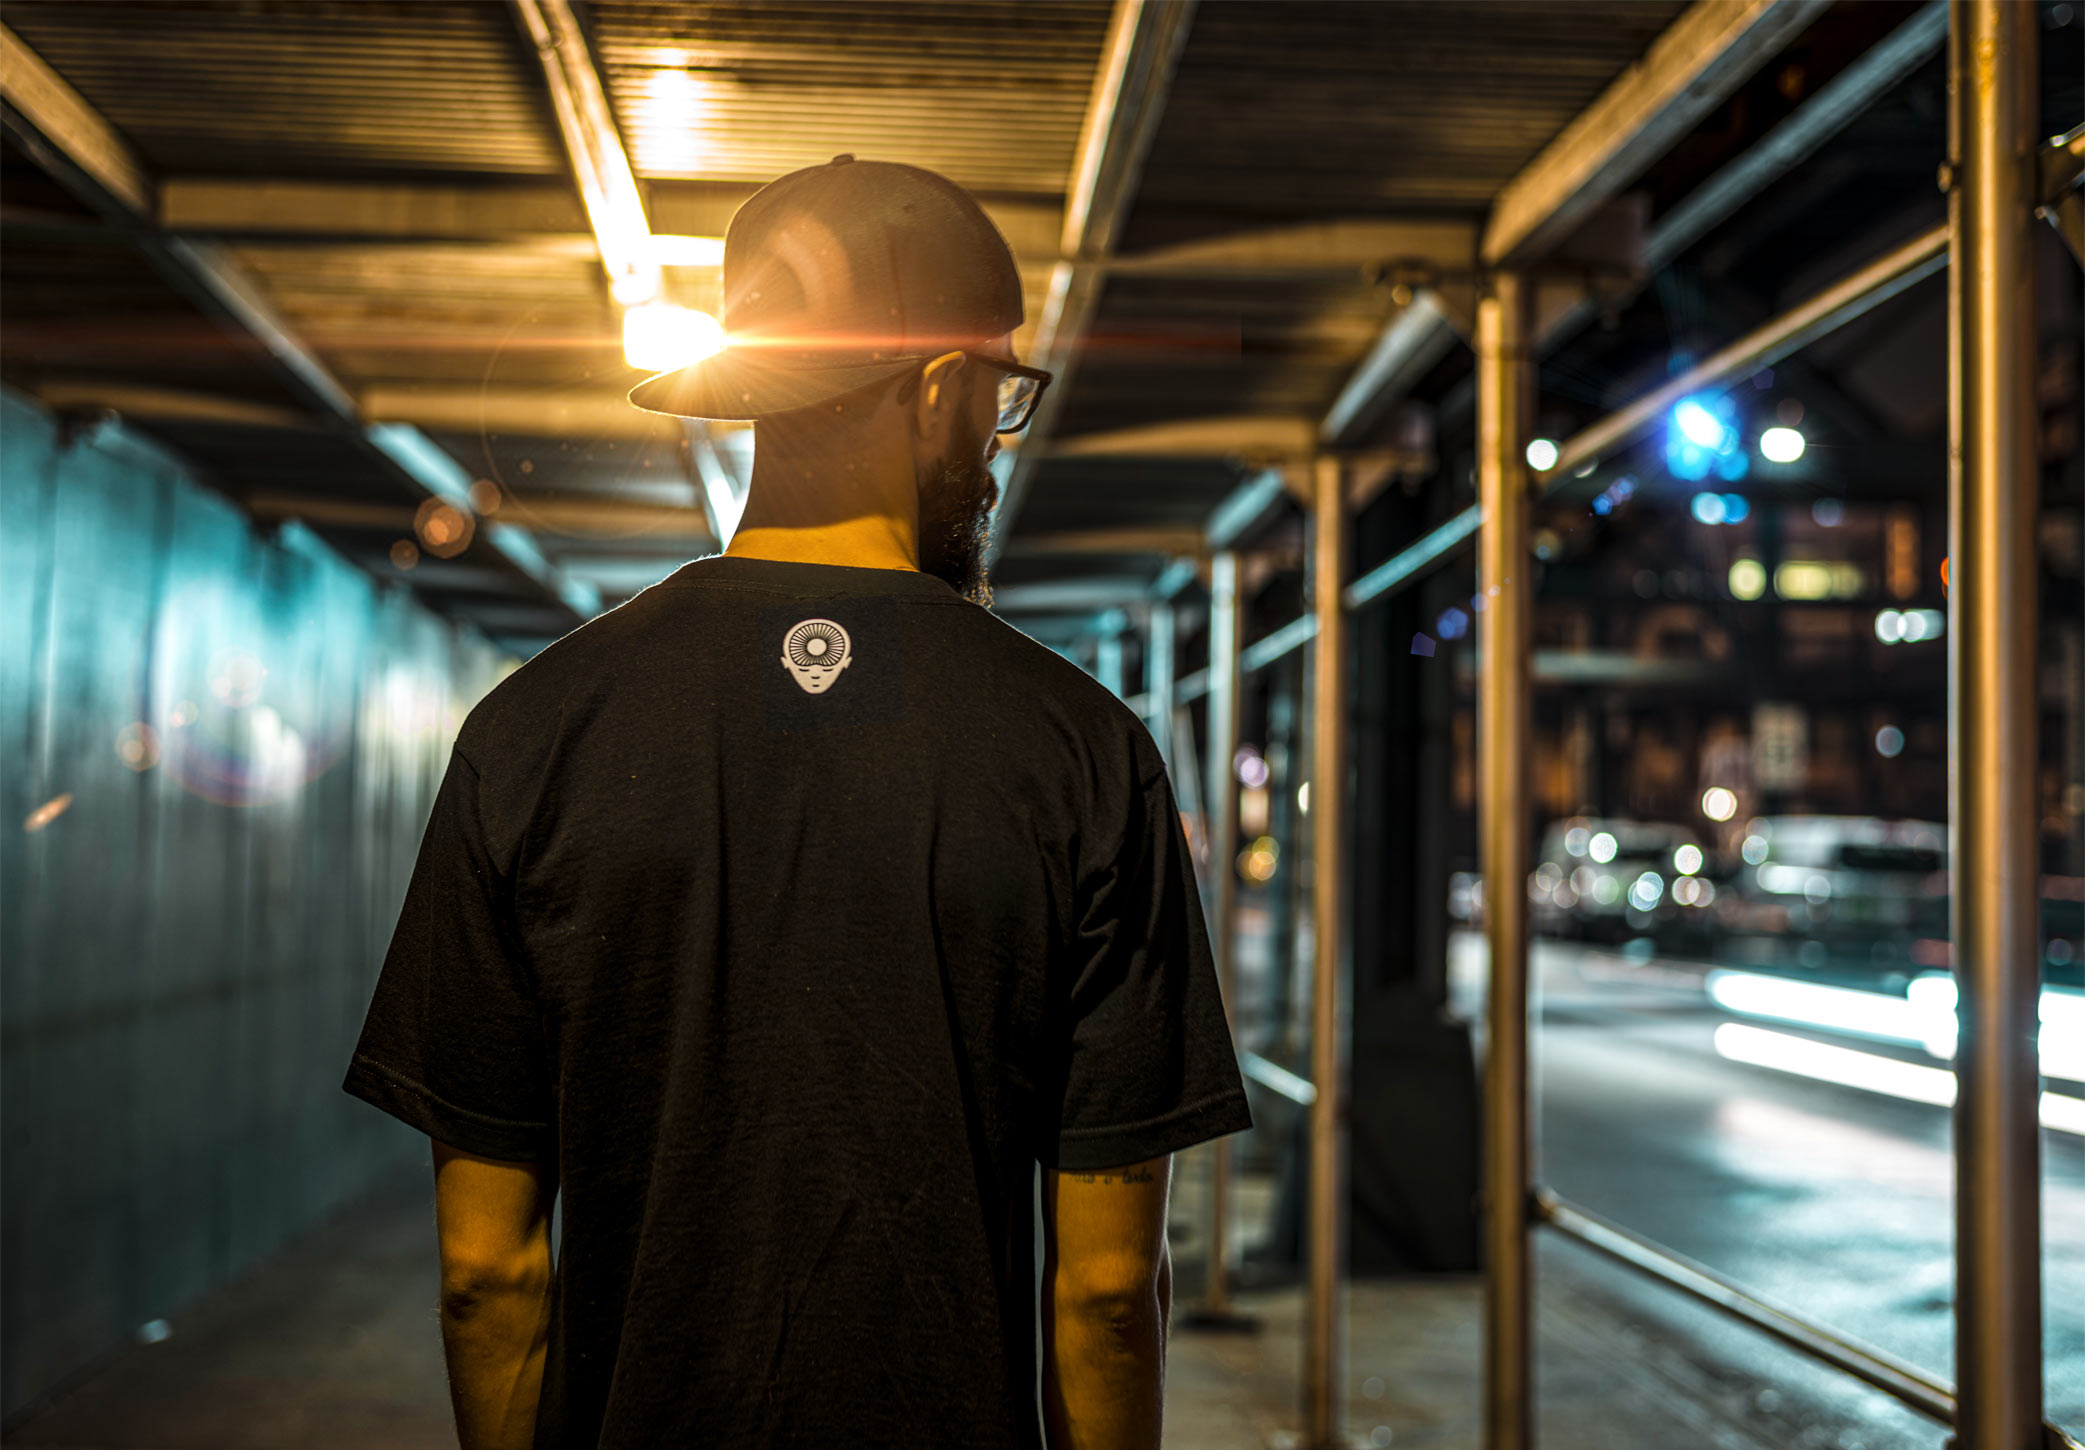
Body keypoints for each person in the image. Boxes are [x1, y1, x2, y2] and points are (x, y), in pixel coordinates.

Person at [343, 154, 1252, 1450]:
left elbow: (486, 1271)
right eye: (995, 394)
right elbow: (1105, 1289)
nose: (994, 446)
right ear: (939, 389)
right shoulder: (1084, 751)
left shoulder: (532, 731)